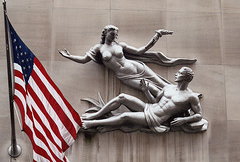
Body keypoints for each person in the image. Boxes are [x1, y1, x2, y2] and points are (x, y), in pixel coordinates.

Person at [59, 25, 196, 98]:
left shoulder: (121, 46)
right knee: (152, 89)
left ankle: (187, 95)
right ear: (105, 33)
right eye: (112, 33)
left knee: (161, 83)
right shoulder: (98, 48)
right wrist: (68, 56)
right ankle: (176, 104)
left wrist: (157, 36)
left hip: (137, 67)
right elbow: (84, 60)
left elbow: (140, 51)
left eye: (116, 34)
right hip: (125, 76)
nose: (115, 36)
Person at [81, 67, 203, 133]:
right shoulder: (168, 87)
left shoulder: (190, 96)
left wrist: (184, 120)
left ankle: (92, 123)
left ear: (186, 78)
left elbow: (198, 115)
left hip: (155, 118)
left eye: (179, 73)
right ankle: (95, 115)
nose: (176, 74)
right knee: (122, 97)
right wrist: (146, 91)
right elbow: (154, 102)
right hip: (149, 108)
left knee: (125, 116)